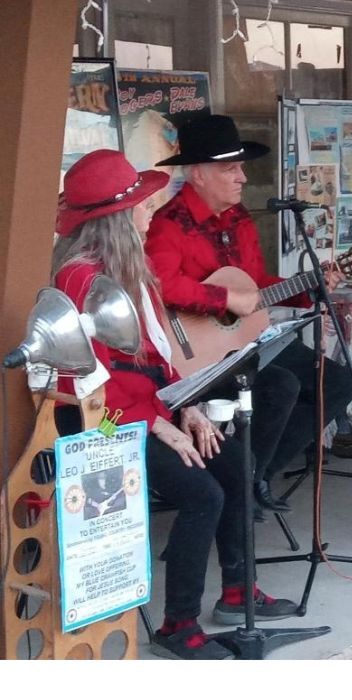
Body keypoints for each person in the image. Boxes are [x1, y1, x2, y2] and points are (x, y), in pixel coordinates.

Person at [51, 149, 298, 661]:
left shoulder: (127, 268)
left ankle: (237, 591)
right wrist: (159, 425)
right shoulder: (80, 280)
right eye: (142, 204)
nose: (150, 211)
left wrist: (184, 405)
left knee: (236, 464)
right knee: (201, 493)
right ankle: (177, 622)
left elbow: (154, 357)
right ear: (116, 219)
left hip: (144, 408)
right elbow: (89, 382)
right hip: (103, 423)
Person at [145, 114, 352, 519]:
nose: (242, 177)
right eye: (231, 168)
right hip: (195, 357)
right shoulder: (169, 224)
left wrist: (309, 286)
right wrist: (222, 298)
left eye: (240, 167)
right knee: (280, 386)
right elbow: (161, 287)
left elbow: (255, 286)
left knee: (338, 382)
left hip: (244, 342)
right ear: (198, 174)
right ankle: (234, 484)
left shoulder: (239, 219)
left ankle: (256, 475)